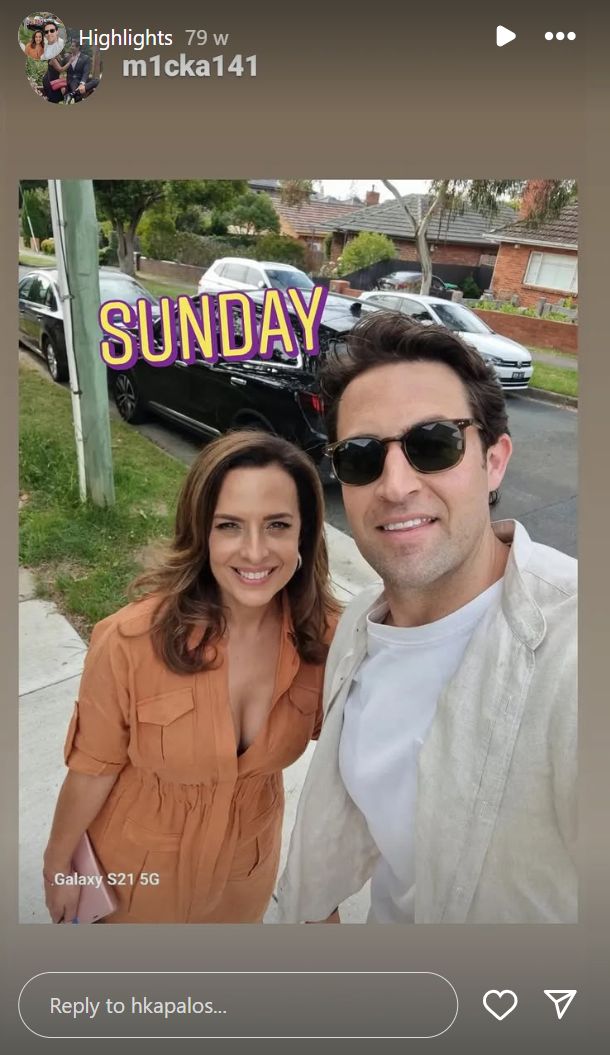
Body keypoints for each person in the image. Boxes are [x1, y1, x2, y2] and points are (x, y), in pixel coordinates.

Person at [277, 311, 577, 925]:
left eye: (434, 443)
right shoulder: (359, 627)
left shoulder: (575, 651)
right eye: (361, 457)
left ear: (494, 461)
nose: (395, 486)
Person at [43, 431, 340, 923]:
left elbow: (352, 772)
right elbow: (93, 769)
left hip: (245, 876)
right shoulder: (128, 642)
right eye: (229, 525)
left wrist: (326, 894)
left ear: (303, 534)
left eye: (277, 525)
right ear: (201, 533)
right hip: (135, 878)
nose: (255, 551)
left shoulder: (330, 640)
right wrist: (58, 865)